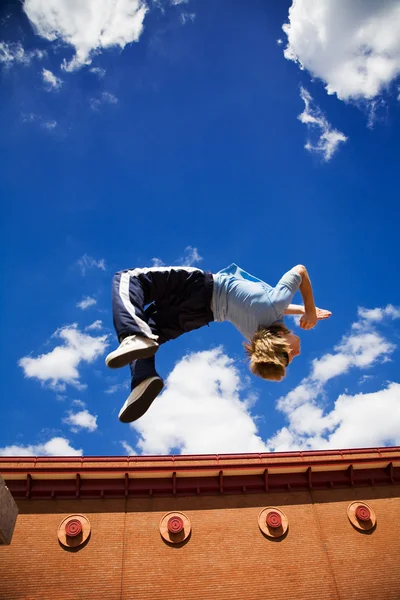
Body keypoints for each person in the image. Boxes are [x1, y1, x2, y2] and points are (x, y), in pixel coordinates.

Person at [105, 263, 331, 423]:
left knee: (129, 279)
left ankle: (132, 334)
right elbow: (266, 304)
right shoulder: (256, 332)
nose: (297, 355)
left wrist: (309, 311)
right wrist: (304, 310)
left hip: (199, 287)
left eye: (288, 355)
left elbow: (299, 270)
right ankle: (142, 378)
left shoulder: (274, 306)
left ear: (279, 339)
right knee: (152, 332)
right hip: (201, 316)